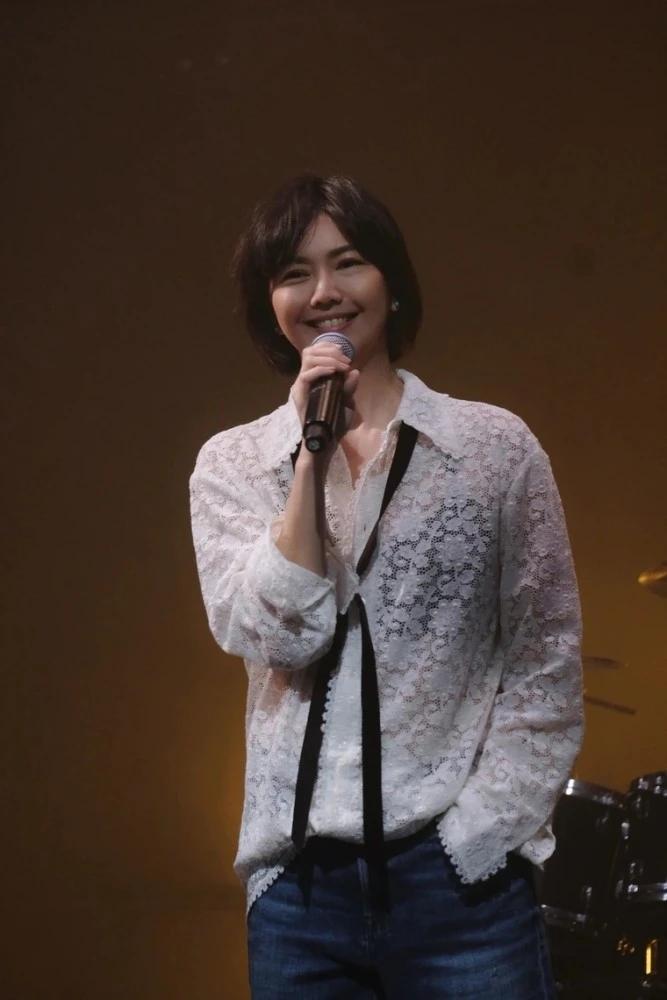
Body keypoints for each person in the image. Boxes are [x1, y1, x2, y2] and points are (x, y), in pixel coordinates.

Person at [189, 173, 584, 998]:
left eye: (348, 263)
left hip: (461, 884)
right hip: (299, 891)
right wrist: (309, 460)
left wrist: (481, 836)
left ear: (392, 284)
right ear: (270, 304)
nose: (323, 293)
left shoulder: (492, 448)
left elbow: (545, 657)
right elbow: (278, 634)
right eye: (293, 273)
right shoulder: (234, 463)